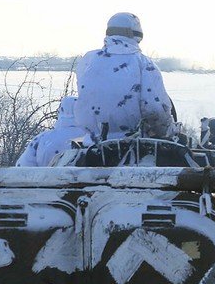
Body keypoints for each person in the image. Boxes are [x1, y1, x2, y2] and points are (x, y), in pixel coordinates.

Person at [73, 12, 176, 143]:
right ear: (137, 34)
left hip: (90, 143)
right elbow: (155, 111)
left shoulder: (88, 60)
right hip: (131, 147)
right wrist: (169, 131)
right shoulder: (144, 64)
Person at [16, 96, 83, 167]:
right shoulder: (90, 139)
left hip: (45, 177)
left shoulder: (41, 139)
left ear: (61, 110)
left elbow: (23, 167)